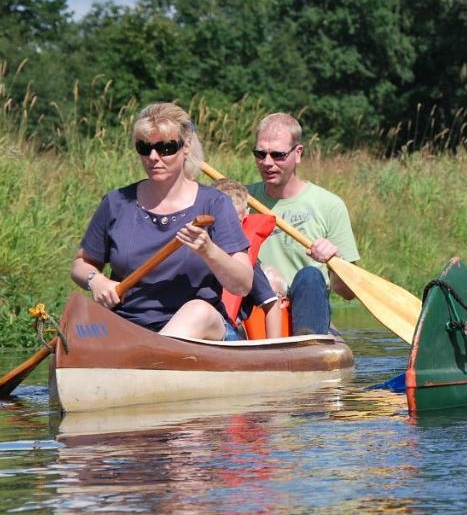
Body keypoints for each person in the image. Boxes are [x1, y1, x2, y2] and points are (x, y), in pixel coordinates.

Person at [71, 102, 253, 340]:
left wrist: (209, 251)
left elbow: (243, 284)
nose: (153, 157)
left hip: (202, 331)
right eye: (144, 148)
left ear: (185, 147)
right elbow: (81, 264)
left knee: (197, 311)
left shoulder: (215, 204)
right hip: (127, 326)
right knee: (77, 325)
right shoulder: (116, 202)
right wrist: (96, 280)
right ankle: (132, 358)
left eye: (165, 148)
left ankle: (147, 358)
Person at [245, 112, 358, 335]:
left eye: (278, 155)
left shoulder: (329, 205)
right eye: (260, 154)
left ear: (298, 153)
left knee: (310, 275)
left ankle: (309, 343)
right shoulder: (243, 201)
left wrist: (334, 262)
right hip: (256, 311)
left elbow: (348, 293)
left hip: (305, 311)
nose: (267, 163)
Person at [210, 178, 283, 336]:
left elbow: (271, 305)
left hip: (227, 331)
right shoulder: (197, 248)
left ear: (245, 215)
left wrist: (273, 350)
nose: (227, 227)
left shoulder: (247, 263)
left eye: (233, 221)